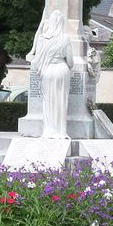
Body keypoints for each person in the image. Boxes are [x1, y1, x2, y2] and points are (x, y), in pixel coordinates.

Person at [30, 10, 74, 138]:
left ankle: (48, 131)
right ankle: (61, 132)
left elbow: (37, 59)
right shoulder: (65, 38)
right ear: (61, 23)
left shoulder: (42, 38)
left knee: (48, 101)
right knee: (61, 101)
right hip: (62, 70)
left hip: (47, 71)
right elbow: (70, 62)